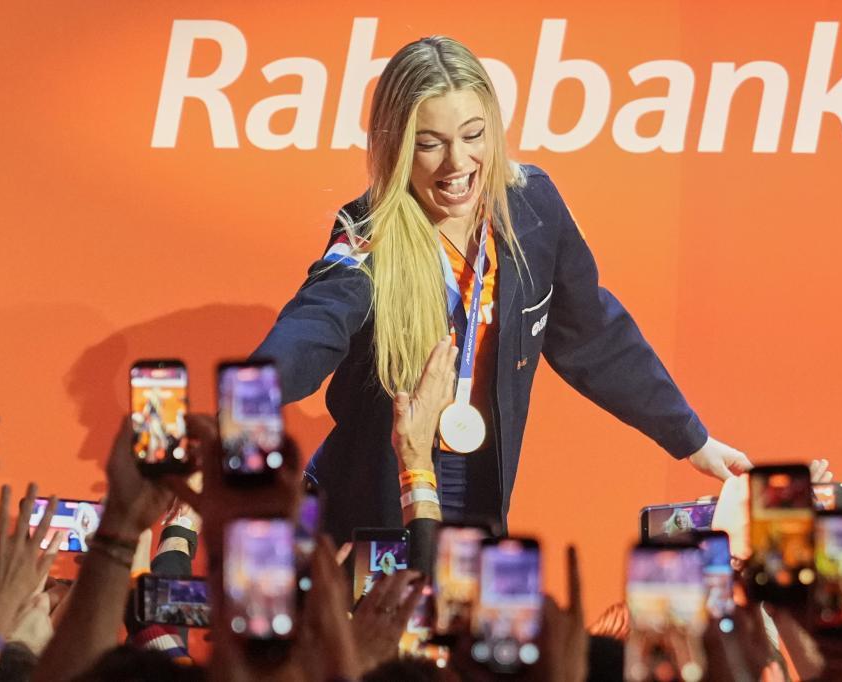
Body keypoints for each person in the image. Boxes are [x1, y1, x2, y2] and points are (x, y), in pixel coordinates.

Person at [251, 34, 749, 542]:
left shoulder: (532, 207)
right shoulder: (369, 232)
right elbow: (314, 324)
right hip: (372, 511)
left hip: (480, 498)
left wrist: (692, 439)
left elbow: (594, 336)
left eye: (473, 135)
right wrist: (248, 397)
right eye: (429, 144)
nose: (457, 163)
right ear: (395, 147)